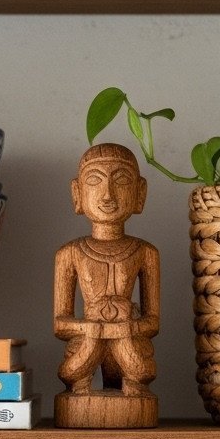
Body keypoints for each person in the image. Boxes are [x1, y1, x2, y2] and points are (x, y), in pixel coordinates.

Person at [54, 143, 160, 399]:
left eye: (121, 180)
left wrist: (127, 327)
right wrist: (91, 328)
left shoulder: (146, 252)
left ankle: (133, 389)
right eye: (94, 180)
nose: (107, 195)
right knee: (71, 372)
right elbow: (60, 324)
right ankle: (82, 391)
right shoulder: (69, 253)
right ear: (77, 193)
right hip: (88, 340)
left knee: (141, 371)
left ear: (140, 192)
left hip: (129, 340)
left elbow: (153, 321)